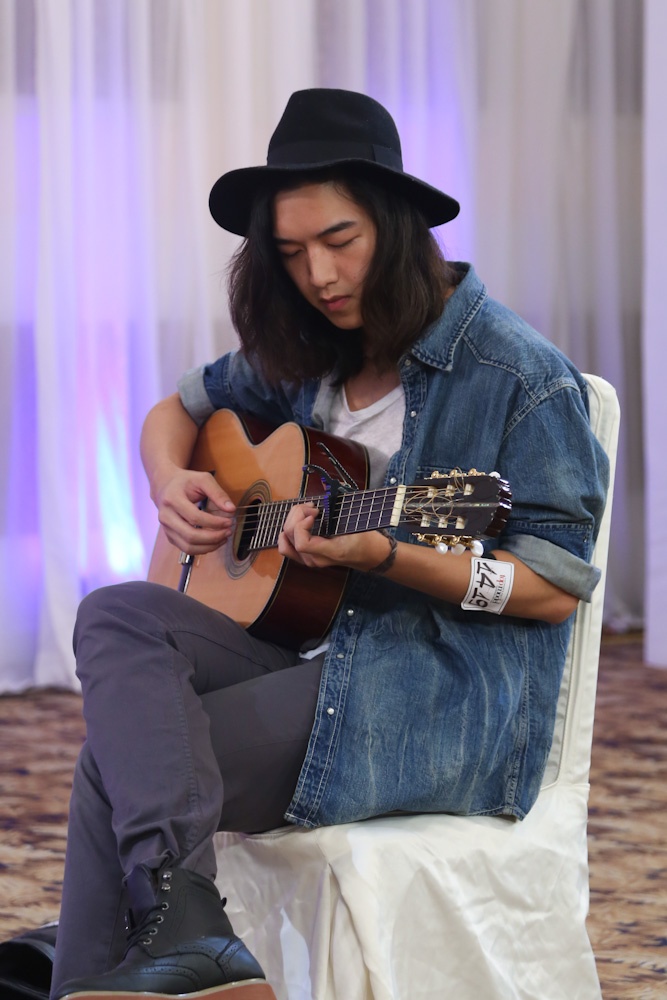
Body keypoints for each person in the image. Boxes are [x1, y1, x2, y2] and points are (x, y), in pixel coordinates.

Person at [51, 89, 609, 1000]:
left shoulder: (517, 375)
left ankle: (150, 955)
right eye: (290, 252)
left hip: (429, 693)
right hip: (308, 650)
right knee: (117, 614)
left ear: (397, 224)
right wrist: (168, 480)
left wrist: (387, 555)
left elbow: (549, 587)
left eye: (339, 241)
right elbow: (177, 410)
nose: (318, 274)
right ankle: (181, 941)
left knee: (119, 763)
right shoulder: (309, 349)